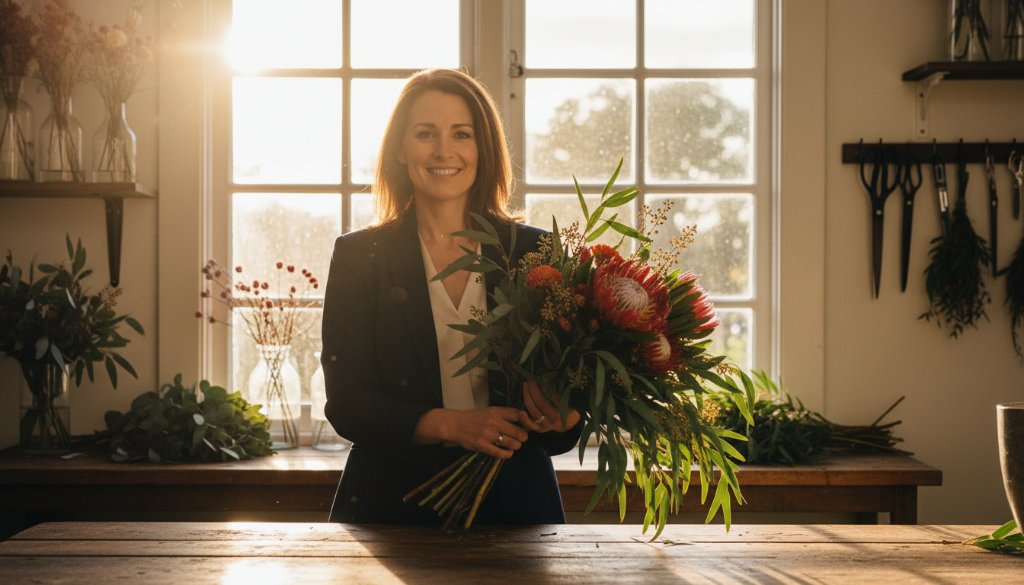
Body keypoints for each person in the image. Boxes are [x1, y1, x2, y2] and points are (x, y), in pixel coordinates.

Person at [321, 68, 582, 525]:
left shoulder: (535, 253)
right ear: (400, 149)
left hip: (519, 507)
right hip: (390, 507)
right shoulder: (359, 256)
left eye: (461, 134)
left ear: (484, 149)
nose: (444, 151)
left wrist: (565, 415)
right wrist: (452, 425)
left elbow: (561, 429)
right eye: (425, 134)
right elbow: (348, 404)